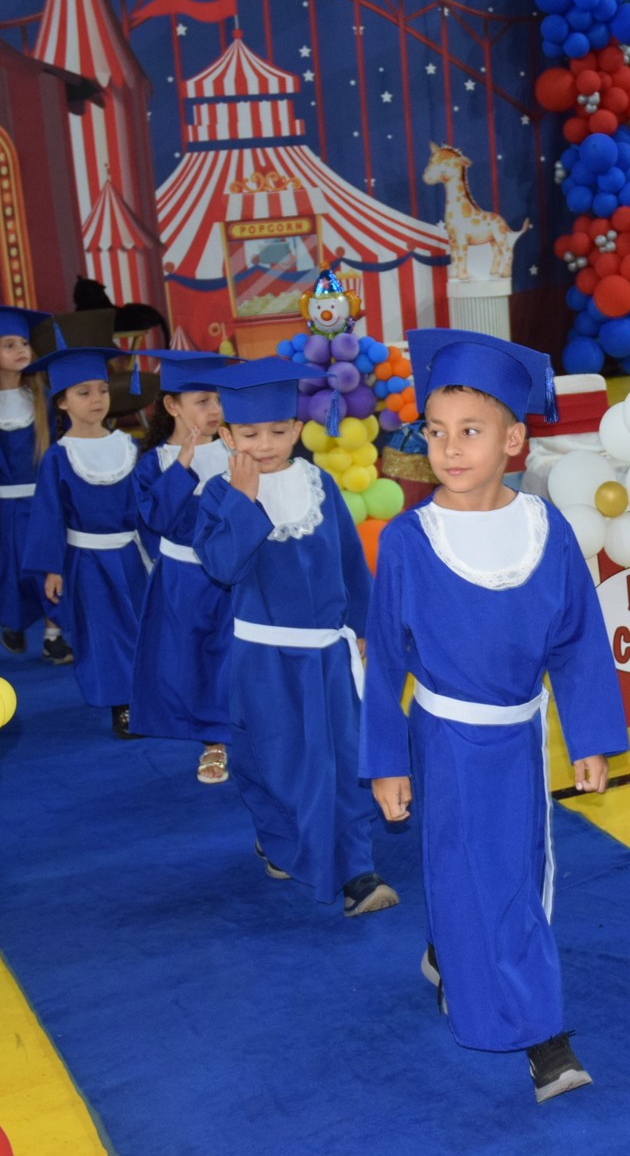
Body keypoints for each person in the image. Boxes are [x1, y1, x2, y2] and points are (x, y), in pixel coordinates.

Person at [360, 328, 628, 1103]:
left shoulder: (547, 531)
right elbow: (384, 658)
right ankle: (454, 952)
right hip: (441, 740)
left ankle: (541, 1033)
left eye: (470, 432)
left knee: (513, 877)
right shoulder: (411, 541)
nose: (448, 449)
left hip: (517, 740)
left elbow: (578, 643)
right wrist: (385, 761)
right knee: (456, 866)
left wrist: (591, 736)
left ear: (513, 439)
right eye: (435, 433)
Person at [193, 358, 399, 917]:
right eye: (251, 433)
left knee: (342, 759)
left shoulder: (320, 484)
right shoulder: (216, 495)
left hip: (327, 657)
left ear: (297, 428)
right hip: (262, 657)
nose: (266, 444)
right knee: (271, 761)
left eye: (279, 431)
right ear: (226, 434)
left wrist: (363, 625)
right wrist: (242, 498)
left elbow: (351, 563)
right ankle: (279, 835)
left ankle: (356, 869)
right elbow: (223, 567)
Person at [24, 347, 148, 738]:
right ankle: (122, 706)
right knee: (104, 633)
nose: (96, 400)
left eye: (102, 390)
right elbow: (48, 516)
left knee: (140, 625)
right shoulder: (59, 457)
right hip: (87, 561)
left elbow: (145, 505)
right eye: (83, 392)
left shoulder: (128, 447)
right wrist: (51, 569)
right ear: (61, 401)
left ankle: (148, 697)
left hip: (131, 556)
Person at [130, 349, 238, 783]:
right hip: (182, 577)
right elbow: (157, 520)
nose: (214, 411)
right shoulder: (154, 463)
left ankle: (226, 736)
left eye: (217, 400)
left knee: (231, 655)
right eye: (201, 401)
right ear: (172, 405)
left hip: (232, 575)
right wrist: (186, 463)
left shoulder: (238, 450)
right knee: (190, 659)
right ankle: (211, 738)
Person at [0, 305, 71, 665]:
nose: (22, 350)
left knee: (50, 564)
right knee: (10, 571)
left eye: (24, 342)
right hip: (4, 505)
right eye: (9, 345)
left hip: (45, 501)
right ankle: (14, 622)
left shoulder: (44, 399)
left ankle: (54, 635)